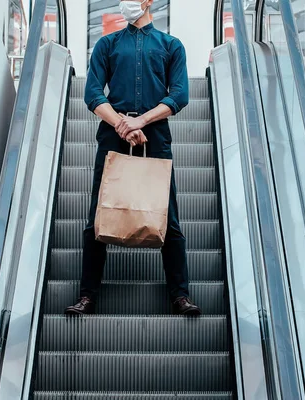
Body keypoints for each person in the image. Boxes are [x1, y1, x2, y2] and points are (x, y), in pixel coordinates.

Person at [65, 0, 201, 316]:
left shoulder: (171, 45)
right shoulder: (107, 44)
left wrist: (140, 122)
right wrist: (123, 125)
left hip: (155, 134)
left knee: (168, 215)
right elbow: (93, 94)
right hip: (114, 132)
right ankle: (87, 296)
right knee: (98, 214)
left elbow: (179, 95)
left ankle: (180, 296)